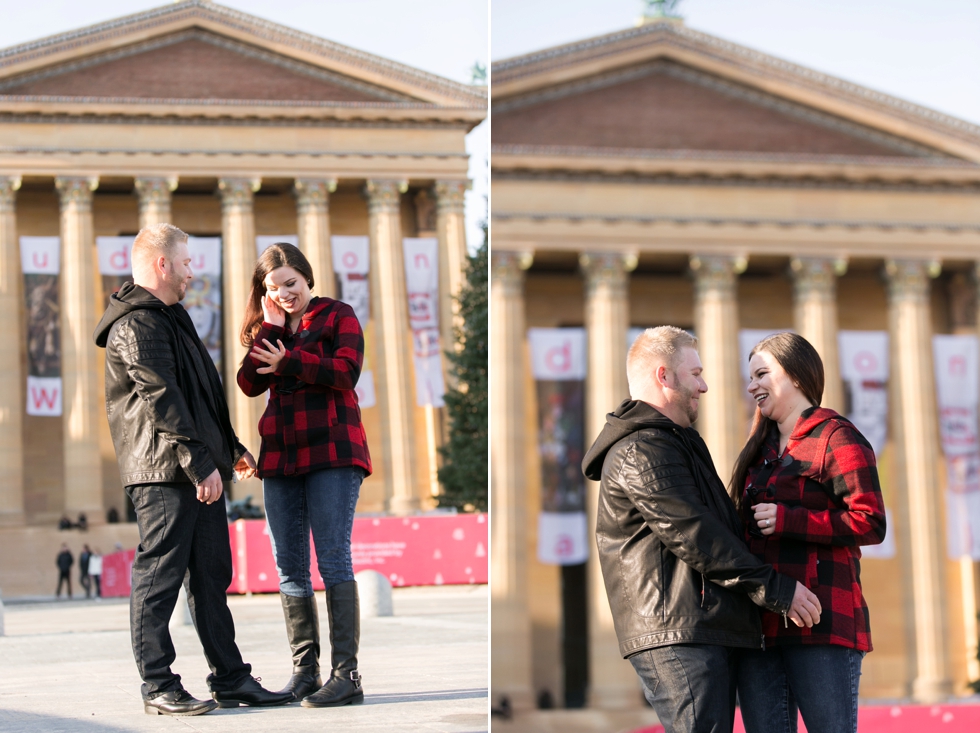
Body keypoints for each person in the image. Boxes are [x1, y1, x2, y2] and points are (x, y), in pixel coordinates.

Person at [581, 326, 822, 733]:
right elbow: (695, 535)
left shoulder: (676, 443)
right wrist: (777, 590)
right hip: (679, 634)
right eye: (695, 373)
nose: (705, 386)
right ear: (664, 376)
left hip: (698, 628)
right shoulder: (641, 449)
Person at [94, 223, 292, 717]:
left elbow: (200, 395)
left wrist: (229, 448)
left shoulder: (172, 318)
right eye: (185, 262)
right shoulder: (135, 324)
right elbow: (162, 399)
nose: (191, 271)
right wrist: (199, 462)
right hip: (162, 471)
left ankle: (230, 678)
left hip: (193, 465)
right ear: (162, 264)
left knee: (210, 577)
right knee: (158, 576)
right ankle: (157, 684)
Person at [236, 243, 372, 708]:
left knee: (333, 559)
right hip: (280, 455)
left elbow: (347, 372)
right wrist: (270, 330)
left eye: (290, 284)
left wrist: (290, 361)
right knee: (289, 566)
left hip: (333, 448)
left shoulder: (338, 315)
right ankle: (305, 672)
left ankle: (346, 673)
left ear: (307, 278)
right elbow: (248, 383)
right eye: (273, 288)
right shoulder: (268, 326)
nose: (284, 293)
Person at [732, 332, 886, 733]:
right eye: (750, 378)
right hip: (762, 627)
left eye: (762, 374)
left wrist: (791, 519)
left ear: (797, 376)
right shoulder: (760, 449)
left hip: (823, 625)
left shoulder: (837, 435)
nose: (752, 386)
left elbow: (871, 520)